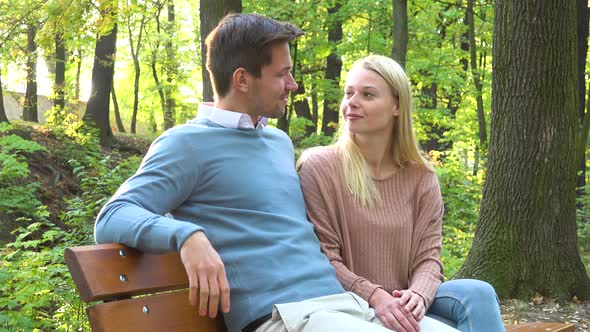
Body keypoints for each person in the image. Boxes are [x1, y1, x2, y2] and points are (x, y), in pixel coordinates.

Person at [94, 14, 458, 332]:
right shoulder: (185, 144)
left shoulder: (277, 142)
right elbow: (113, 215)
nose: (293, 84)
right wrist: (187, 237)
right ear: (242, 80)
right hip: (283, 317)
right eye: (282, 74)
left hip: (344, 307)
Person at [298, 54, 505, 332]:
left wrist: (418, 294)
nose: (352, 102)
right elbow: (325, 257)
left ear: (397, 106)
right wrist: (375, 295)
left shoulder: (421, 176)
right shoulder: (320, 167)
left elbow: (429, 258)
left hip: (406, 301)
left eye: (368, 94)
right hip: (349, 304)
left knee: (478, 292)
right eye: (349, 93)